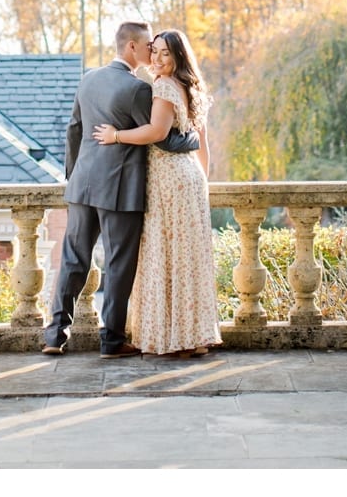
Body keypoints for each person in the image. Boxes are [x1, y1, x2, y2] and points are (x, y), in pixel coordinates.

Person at [42, 20, 201, 358]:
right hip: (120, 188)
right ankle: (111, 342)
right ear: (132, 47)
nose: (152, 54)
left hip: (82, 185)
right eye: (148, 47)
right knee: (119, 265)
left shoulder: (88, 80)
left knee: (73, 260)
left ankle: (55, 336)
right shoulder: (138, 89)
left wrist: (74, 177)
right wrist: (195, 136)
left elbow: (73, 131)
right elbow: (165, 139)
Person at [92, 28, 222, 358]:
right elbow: (202, 144)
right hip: (190, 177)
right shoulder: (194, 88)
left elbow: (157, 131)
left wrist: (116, 136)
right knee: (187, 260)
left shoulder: (164, 86)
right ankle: (193, 338)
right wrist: (203, 184)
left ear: (179, 56)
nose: (159, 59)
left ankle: (171, 339)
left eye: (166, 53)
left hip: (169, 181)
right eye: (157, 52)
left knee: (165, 258)